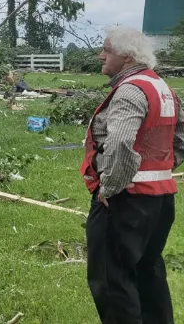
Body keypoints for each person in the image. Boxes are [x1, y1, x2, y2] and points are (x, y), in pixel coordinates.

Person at [81, 26, 184, 323]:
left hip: (126, 200)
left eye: (107, 49)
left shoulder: (130, 90)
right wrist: (161, 168)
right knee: (148, 271)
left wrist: (110, 187)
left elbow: (120, 144)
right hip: (160, 200)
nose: (101, 55)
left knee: (112, 280)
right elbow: (181, 138)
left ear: (127, 56)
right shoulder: (161, 87)